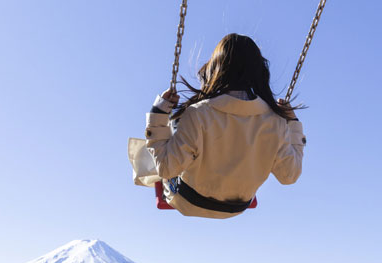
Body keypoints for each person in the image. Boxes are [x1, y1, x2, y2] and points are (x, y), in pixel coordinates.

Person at [127, 34, 306, 219]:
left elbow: (166, 169)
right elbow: (289, 176)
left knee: (163, 137)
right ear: (259, 71)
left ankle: (146, 166)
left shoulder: (198, 113)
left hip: (188, 200)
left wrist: (158, 113)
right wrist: (292, 123)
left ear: (216, 68)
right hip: (236, 207)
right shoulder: (276, 122)